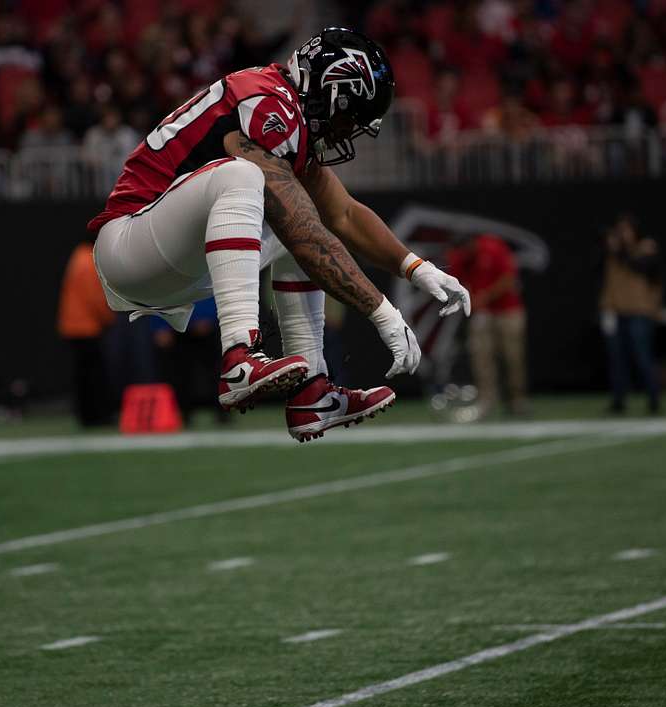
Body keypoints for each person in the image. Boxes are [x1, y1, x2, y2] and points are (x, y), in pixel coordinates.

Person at [88, 27, 471, 442]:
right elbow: (305, 229)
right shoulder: (268, 99)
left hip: (174, 260)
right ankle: (239, 357)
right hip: (129, 241)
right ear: (330, 89)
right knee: (253, 184)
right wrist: (382, 311)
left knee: (296, 216)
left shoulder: (292, 124)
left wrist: (416, 268)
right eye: (348, 116)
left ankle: (313, 392)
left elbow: (343, 214)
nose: (346, 132)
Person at [447, 233, 529, 418]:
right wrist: (467, 297)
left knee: (512, 357)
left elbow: (509, 278)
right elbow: (454, 282)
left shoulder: (494, 248)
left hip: (507, 310)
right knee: (482, 359)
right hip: (481, 313)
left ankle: (517, 401)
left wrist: (485, 296)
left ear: (473, 243)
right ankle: (487, 402)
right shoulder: (457, 256)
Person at [599, 213, 662, 414]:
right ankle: (619, 400)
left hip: (639, 312)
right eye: (621, 230)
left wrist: (623, 250)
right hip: (616, 311)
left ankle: (653, 398)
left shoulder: (645, 250)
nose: (623, 234)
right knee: (617, 359)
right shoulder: (612, 253)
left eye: (627, 230)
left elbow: (640, 268)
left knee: (642, 357)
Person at [57, 242, 116, 426]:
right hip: (87, 326)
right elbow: (95, 296)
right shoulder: (89, 260)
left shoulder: (78, 256)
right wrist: (108, 317)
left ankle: (87, 415)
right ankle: (97, 415)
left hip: (73, 324)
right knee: (94, 374)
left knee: (83, 374)